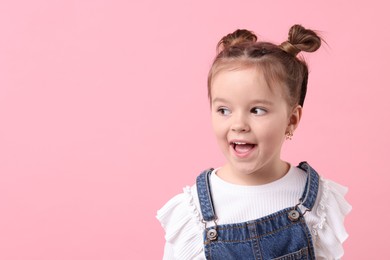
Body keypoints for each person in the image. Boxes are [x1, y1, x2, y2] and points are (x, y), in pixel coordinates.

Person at [157, 24, 351, 260]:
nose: (238, 124)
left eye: (257, 110)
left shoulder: (318, 202)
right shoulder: (193, 212)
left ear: (291, 119)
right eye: (223, 110)